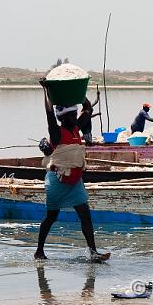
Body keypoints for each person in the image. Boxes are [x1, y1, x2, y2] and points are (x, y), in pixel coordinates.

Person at [34, 80, 110, 262]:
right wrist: (47, 91)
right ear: (63, 117)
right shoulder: (57, 132)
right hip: (57, 181)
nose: (75, 116)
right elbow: (49, 113)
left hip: (75, 181)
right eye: (72, 114)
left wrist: (78, 92)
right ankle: (39, 251)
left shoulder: (76, 128)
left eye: (75, 113)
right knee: (51, 217)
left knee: (85, 215)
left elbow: (88, 109)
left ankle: (93, 252)